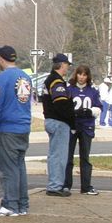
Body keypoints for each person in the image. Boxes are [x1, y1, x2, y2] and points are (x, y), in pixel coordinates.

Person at [0, 45, 32, 217]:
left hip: (7, 127)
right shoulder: (25, 76)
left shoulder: (2, 78)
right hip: (23, 126)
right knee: (19, 166)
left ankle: (10, 204)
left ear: (1, 59)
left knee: (7, 168)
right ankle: (22, 203)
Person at [42, 53, 75, 196]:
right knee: (59, 155)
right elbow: (61, 104)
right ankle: (55, 186)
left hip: (50, 120)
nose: (67, 67)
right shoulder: (56, 82)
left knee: (54, 154)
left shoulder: (49, 80)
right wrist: (71, 121)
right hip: (58, 122)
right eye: (67, 65)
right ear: (62, 65)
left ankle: (54, 184)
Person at [66, 65, 102, 195]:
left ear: (88, 76)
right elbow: (63, 106)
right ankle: (66, 185)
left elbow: (98, 107)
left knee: (85, 157)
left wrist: (90, 111)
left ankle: (86, 186)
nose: (81, 77)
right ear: (76, 75)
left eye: (84, 75)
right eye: (80, 74)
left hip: (86, 126)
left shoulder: (92, 90)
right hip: (72, 127)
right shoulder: (69, 89)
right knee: (68, 157)